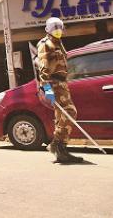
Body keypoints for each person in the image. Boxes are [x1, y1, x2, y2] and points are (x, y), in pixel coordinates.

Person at [38, 17, 83, 164]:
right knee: (70, 112)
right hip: (53, 84)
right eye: (54, 27)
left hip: (62, 85)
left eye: (59, 27)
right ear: (47, 30)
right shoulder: (46, 44)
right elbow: (43, 69)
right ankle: (57, 145)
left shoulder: (59, 43)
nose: (58, 30)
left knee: (61, 118)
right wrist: (47, 89)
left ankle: (61, 151)